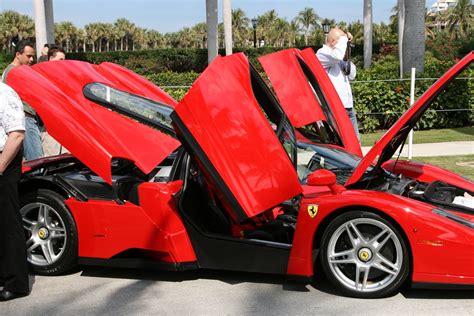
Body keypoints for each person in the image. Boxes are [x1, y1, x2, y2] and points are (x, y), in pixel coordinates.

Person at [0, 82, 30, 301]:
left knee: (8, 222)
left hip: (4, 160)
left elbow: (17, 134)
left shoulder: (4, 93)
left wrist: (0, 167)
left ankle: (16, 283)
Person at [2, 40, 44, 160]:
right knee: (36, 160)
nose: (31, 60)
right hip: (25, 119)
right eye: (28, 56)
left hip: (24, 120)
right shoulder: (13, 72)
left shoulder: (13, 71)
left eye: (33, 56)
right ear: (18, 55)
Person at [316, 28, 360, 140]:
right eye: (342, 41)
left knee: (355, 141)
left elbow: (352, 74)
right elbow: (336, 56)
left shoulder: (339, 57)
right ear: (332, 41)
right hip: (336, 107)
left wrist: (347, 55)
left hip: (348, 106)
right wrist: (345, 38)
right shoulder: (322, 53)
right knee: (341, 143)